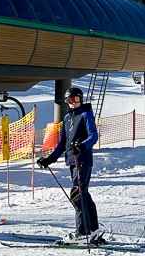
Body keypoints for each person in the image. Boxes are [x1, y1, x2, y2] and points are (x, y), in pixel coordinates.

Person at [38, 86, 102, 243]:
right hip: (72, 161)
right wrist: (49, 159)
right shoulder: (67, 118)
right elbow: (62, 144)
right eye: (70, 99)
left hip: (83, 160)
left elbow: (94, 136)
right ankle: (93, 229)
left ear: (81, 99)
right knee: (83, 194)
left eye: (76, 99)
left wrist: (82, 146)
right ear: (66, 101)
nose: (73, 102)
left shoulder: (86, 114)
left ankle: (82, 232)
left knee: (77, 194)